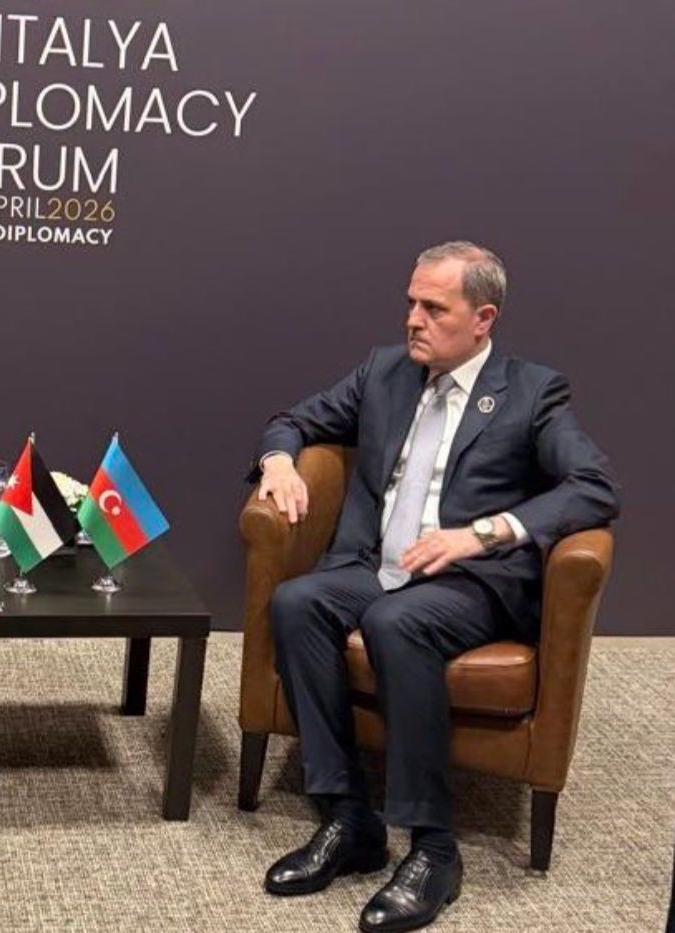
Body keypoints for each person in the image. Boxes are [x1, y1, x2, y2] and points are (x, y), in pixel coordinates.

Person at [247, 241, 619, 932]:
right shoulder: (385, 370)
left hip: (468, 581)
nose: (413, 319)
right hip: (375, 564)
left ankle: (434, 849)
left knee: (398, 623)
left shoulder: (532, 391)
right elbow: (292, 419)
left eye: (433, 308)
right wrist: (279, 462)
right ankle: (348, 817)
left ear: (483, 318)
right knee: (296, 602)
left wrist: (482, 533)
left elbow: (594, 486)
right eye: (411, 303)